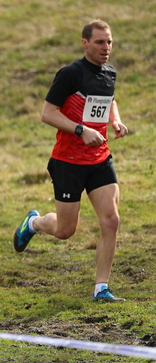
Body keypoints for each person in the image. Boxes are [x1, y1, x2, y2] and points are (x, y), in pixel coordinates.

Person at [13, 19, 129, 302]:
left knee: (111, 220)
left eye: (109, 42)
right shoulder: (70, 74)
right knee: (66, 231)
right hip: (68, 161)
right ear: (85, 43)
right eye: (100, 42)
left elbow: (110, 99)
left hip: (99, 158)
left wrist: (115, 120)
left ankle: (101, 288)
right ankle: (34, 223)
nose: (106, 47)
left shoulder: (109, 73)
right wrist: (80, 130)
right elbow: (48, 113)